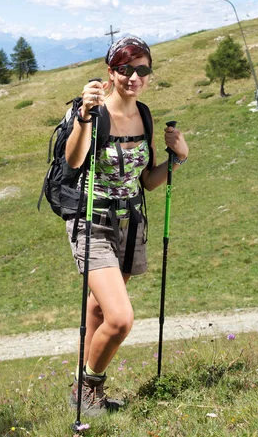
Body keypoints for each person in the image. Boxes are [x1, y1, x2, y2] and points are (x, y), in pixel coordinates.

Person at [65, 35, 189, 417]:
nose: (134, 76)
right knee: (120, 319)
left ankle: (85, 391)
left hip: (130, 222)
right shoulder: (91, 111)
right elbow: (73, 161)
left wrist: (179, 158)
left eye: (142, 69)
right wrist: (84, 116)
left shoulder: (145, 115)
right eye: (125, 69)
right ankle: (88, 388)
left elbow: (148, 180)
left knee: (100, 311)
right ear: (110, 72)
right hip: (92, 222)